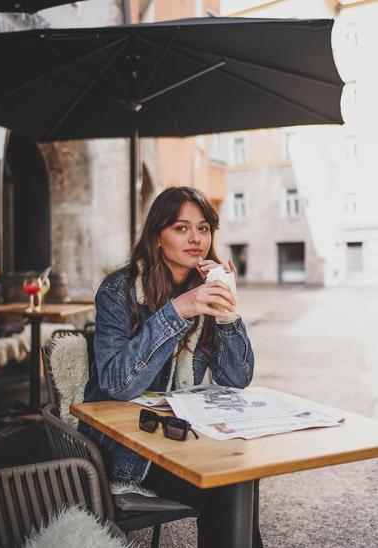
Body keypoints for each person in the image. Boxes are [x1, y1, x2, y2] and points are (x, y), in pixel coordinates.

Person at [80, 186, 262, 547]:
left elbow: (236, 380)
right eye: (181, 228)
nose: (196, 238)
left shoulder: (208, 287)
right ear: (157, 237)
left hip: (184, 435)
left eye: (204, 228)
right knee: (226, 484)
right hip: (127, 445)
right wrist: (178, 310)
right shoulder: (119, 291)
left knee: (240, 472)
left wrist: (228, 316)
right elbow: (117, 384)